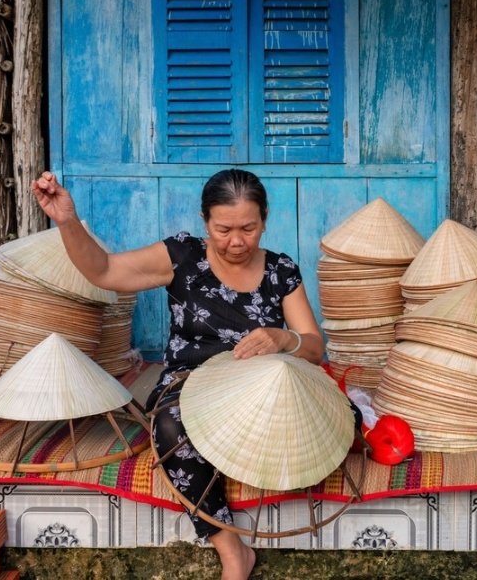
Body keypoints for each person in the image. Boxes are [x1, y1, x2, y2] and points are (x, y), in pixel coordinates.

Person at [31, 168, 325, 580]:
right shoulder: (183, 255)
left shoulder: (281, 270)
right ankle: (232, 550)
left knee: (334, 420)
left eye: (249, 228)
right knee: (170, 428)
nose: (236, 241)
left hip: (262, 389)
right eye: (223, 229)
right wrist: (66, 220)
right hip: (192, 384)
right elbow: (104, 271)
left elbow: (313, 347)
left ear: (265, 220)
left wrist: (283, 338)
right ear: (205, 221)